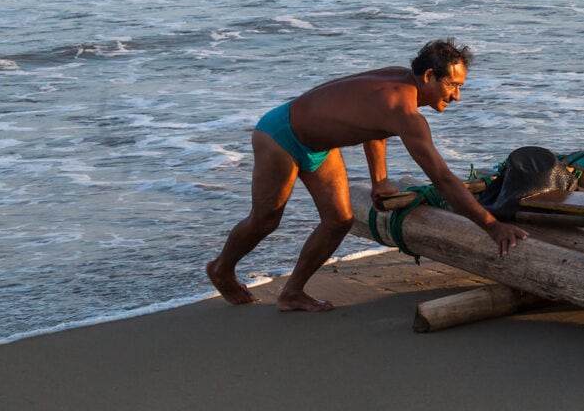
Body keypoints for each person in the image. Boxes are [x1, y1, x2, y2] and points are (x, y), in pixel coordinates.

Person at [206, 39, 527, 312]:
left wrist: (380, 180)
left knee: (339, 220)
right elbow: (443, 180)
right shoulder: (405, 112)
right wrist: (491, 226)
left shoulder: (400, 88)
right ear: (430, 76)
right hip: (280, 136)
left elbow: (376, 126)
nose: (457, 96)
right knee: (266, 220)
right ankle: (222, 269)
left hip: (320, 145)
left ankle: (292, 293)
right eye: (453, 85)